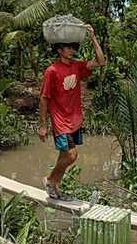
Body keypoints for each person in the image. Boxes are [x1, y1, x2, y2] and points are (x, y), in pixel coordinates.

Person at [39, 25, 106, 200]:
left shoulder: (77, 66)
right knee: (71, 155)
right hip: (60, 120)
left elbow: (100, 62)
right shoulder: (51, 71)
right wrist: (43, 125)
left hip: (74, 119)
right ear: (59, 50)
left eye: (73, 47)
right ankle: (50, 181)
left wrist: (93, 37)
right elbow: (44, 98)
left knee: (64, 155)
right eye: (68, 47)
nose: (72, 50)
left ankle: (55, 188)